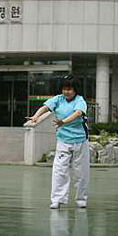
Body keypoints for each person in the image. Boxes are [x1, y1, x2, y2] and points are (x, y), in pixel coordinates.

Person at [26, 75, 89, 209]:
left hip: (80, 140)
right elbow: (45, 107)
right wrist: (36, 116)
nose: (66, 92)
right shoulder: (58, 99)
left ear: (75, 90)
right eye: (64, 89)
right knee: (59, 170)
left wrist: (63, 121)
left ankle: (81, 199)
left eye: (69, 89)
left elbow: (78, 113)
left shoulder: (80, 100)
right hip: (63, 140)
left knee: (81, 171)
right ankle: (57, 199)